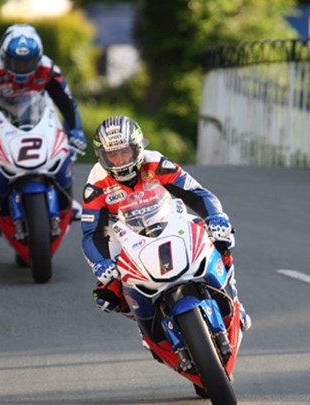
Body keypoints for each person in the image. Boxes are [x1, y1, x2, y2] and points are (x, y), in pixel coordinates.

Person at [80, 115, 251, 334]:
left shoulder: (156, 162)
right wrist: (100, 263)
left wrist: (216, 217)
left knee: (219, 238)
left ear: (137, 147)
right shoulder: (96, 181)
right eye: (113, 155)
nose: (121, 161)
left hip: (168, 221)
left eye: (125, 152)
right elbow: (91, 233)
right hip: (123, 236)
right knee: (107, 293)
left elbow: (196, 193)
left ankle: (234, 300)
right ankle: (147, 327)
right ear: (102, 156)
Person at [0, 24, 86, 228]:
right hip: (1, 115)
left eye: (28, 62)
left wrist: (75, 131)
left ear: (38, 58)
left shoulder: (49, 69)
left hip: (37, 111)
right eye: (15, 62)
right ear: (4, 57)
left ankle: (66, 197)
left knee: (65, 147)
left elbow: (66, 103)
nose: (22, 68)